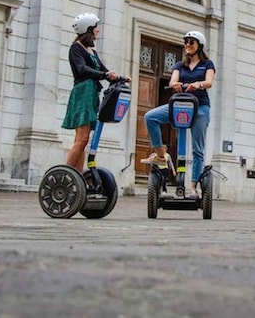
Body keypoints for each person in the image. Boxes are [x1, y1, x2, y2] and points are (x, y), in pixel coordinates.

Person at [144, 30, 215, 198]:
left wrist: (198, 84)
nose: (188, 45)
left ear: (199, 46)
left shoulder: (208, 64)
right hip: (179, 105)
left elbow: (209, 82)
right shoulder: (179, 65)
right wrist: (175, 85)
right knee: (150, 117)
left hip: (200, 107)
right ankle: (161, 155)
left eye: (191, 42)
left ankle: (192, 187)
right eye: (186, 42)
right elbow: (172, 81)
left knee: (198, 149)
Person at [61, 12, 129, 174]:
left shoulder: (91, 50)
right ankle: (64, 174)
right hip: (83, 92)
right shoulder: (76, 48)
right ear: (88, 29)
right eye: (96, 27)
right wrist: (104, 75)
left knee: (81, 140)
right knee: (83, 138)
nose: (98, 30)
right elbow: (82, 69)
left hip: (91, 93)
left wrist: (120, 77)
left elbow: (103, 71)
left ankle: (77, 177)